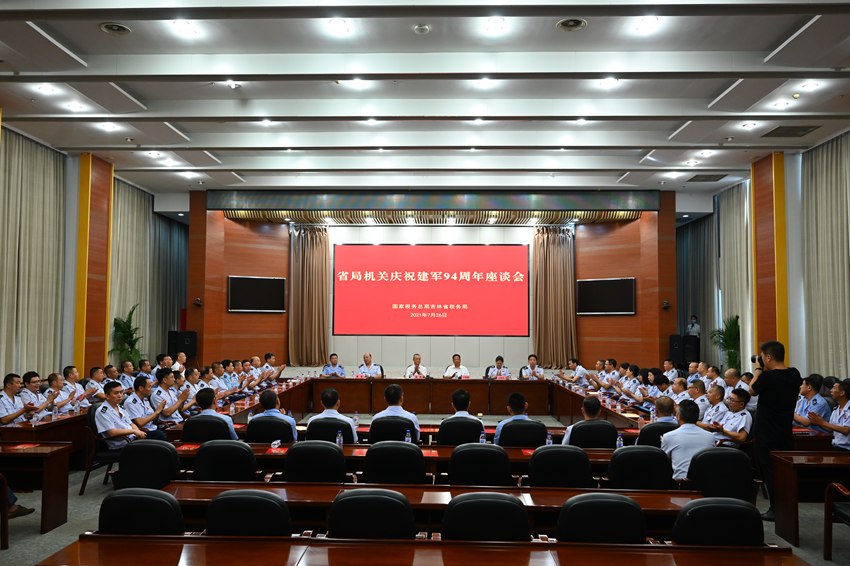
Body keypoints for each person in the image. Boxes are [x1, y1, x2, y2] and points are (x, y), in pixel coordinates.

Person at [748, 340, 802, 521]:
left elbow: (752, 390)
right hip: (785, 430)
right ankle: (784, 508)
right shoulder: (794, 374)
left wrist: (757, 369)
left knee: (770, 472)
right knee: (784, 472)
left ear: (769, 358)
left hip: (766, 432)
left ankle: (775, 509)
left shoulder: (766, 377)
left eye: (762, 357)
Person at [661, 399, 716, 479]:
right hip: (704, 481)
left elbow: (663, 461)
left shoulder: (668, 436)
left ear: (678, 416)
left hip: (680, 483)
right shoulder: (711, 436)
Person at [95, 381, 147, 450]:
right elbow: (112, 432)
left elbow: (131, 423)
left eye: (121, 392)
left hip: (133, 439)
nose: (120, 395)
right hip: (121, 444)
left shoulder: (120, 407)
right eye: (116, 393)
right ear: (107, 396)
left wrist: (139, 433)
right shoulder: (102, 411)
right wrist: (134, 431)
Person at [808, 378, 850, 451]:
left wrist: (822, 422)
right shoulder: (836, 409)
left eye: (833, 388)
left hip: (847, 450)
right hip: (835, 447)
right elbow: (830, 429)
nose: (830, 390)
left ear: (842, 393)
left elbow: (846, 430)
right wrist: (819, 422)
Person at [123, 376, 167, 441]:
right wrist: (157, 412)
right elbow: (140, 423)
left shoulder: (145, 399)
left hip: (153, 428)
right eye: (149, 387)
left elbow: (154, 420)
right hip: (143, 432)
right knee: (160, 434)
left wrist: (160, 410)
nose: (151, 389)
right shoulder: (130, 402)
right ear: (141, 388)